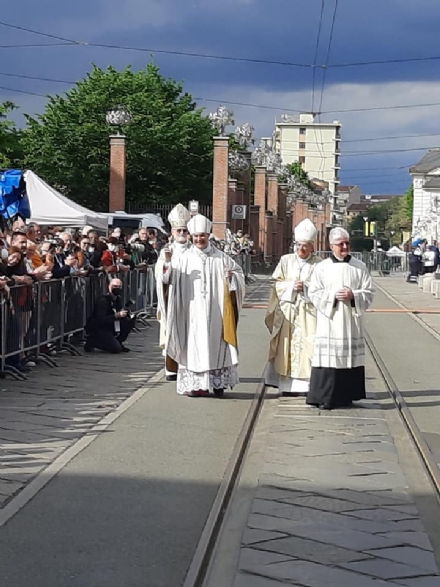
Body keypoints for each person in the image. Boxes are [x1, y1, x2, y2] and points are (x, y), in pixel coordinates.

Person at [163, 214, 245, 397]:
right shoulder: (183, 258)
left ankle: (218, 383)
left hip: (217, 312)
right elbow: (168, 280)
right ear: (192, 237)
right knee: (194, 346)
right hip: (191, 312)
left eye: (203, 235)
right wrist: (168, 264)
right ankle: (198, 385)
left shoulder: (221, 258)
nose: (199, 239)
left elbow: (239, 275)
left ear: (208, 235)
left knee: (217, 344)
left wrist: (232, 279)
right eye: (196, 236)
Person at [306, 227, 375, 410]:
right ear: (331, 246)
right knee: (330, 358)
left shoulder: (359, 267)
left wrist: (353, 295)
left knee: (348, 357)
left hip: (350, 321)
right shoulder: (321, 267)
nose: (344, 247)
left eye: (347, 243)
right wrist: (333, 296)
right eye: (340, 244)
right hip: (330, 320)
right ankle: (325, 397)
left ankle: (347, 395)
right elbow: (314, 292)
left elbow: (369, 292)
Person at [265, 219, 321, 396]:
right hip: (288, 311)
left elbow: (323, 289)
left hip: (309, 313)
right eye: (298, 245)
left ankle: (306, 386)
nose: (301, 249)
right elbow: (276, 283)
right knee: (285, 346)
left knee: (308, 346)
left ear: (312, 246)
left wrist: (305, 287)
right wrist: (290, 286)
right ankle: (286, 385)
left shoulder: (320, 264)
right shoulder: (285, 260)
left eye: (305, 246)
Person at [155, 203, 192, 381]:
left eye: (185, 231)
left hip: (192, 300)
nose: (182, 234)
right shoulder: (166, 251)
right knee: (172, 332)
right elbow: (161, 277)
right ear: (172, 231)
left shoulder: (195, 251)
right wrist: (167, 263)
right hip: (172, 299)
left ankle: (190, 366)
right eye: (179, 231)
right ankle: (171, 368)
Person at [85, 278, 135, 353]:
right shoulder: (103, 301)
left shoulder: (118, 299)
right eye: (114, 286)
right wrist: (115, 316)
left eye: (119, 286)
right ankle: (92, 341)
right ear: (109, 287)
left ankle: (119, 341)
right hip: (100, 329)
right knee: (116, 349)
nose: (117, 288)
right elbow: (99, 320)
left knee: (129, 322)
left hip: (112, 326)